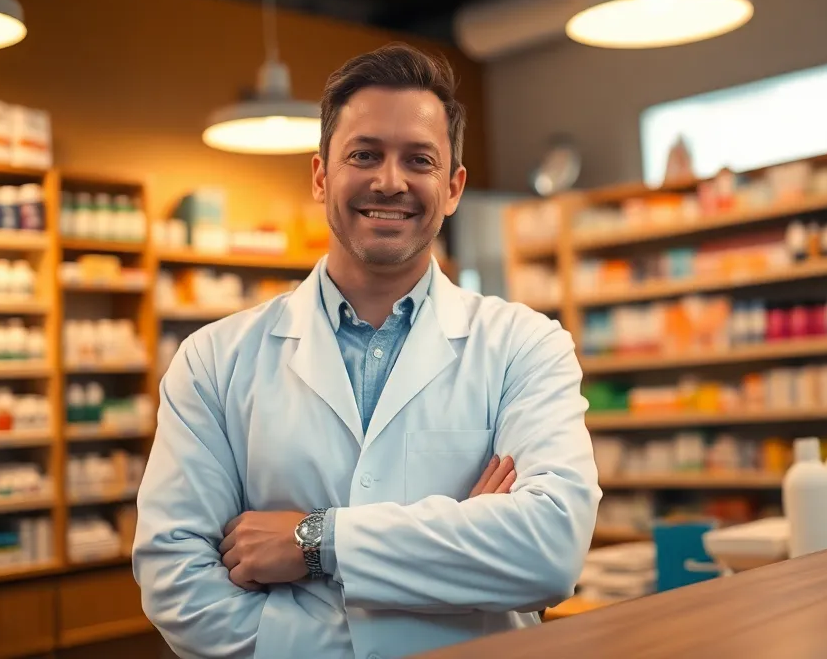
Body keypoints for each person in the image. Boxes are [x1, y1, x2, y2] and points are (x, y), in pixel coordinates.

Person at [133, 43, 600, 658]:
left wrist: (314, 542)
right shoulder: (213, 361)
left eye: (419, 159)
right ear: (321, 175)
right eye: (364, 154)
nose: (390, 181)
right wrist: (462, 549)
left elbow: (548, 549)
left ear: (453, 186)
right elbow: (177, 584)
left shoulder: (525, 346)